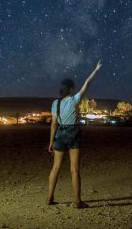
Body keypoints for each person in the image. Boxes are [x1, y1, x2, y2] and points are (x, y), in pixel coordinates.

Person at [47, 60, 102, 209]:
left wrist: (51, 142)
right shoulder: (74, 99)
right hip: (73, 133)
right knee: (74, 169)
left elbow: (53, 124)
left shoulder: (54, 103)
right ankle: (77, 201)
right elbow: (87, 83)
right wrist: (96, 69)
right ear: (70, 89)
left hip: (59, 134)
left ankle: (49, 198)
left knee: (56, 167)